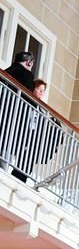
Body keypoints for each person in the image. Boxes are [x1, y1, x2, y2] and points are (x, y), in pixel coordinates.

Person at [5, 47, 38, 180]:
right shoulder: (26, 74)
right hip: (16, 115)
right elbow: (29, 98)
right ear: (29, 63)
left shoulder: (7, 71)